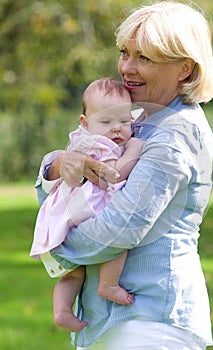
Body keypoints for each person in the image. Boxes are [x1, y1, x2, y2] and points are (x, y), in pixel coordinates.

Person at [35, 1, 213, 349]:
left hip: (150, 318)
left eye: (144, 58)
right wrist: (56, 164)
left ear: (184, 68)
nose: (127, 68)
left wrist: (51, 241)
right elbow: (68, 191)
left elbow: (117, 230)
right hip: (113, 320)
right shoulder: (137, 120)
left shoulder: (176, 133)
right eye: (125, 53)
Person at [31, 78, 144, 332]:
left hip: (71, 209)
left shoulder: (83, 138)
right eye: (106, 122)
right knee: (119, 242)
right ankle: (109, 284)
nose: (116, 129)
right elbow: (115, 174)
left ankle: (61, 311)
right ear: (85, 122)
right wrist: (134, 149)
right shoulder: (98, 144)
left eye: (124, 121)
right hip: (89, 206)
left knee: (74, 273)